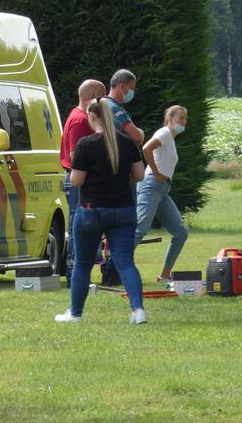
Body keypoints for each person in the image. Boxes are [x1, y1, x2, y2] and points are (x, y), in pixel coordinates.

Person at [55, 98, 147, 324]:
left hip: (91, 211)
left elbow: (76, 180)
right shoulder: (127, 143)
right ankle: (138, 311)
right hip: (123, 210)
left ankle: (75, 313)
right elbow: (139, 176)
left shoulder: (85, 144)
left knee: (83, 264)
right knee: (125, 261)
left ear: (92, 117)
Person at [135, 105, 190, 282]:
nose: (184, 122)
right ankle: (115, 267)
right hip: (152, 184)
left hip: (162, 189)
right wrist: (156, 172)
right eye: (180, 118)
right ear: (170, 118)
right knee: (141, 227)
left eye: (185, 119)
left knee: (180, 233)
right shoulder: (165, 133)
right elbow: (146, 148)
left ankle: (165, 275)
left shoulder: (170, 139)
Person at [59, 78, 107, 280]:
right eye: (101, 97)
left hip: (81, 178)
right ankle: (73, 274)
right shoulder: (80, 120)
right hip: (79, 179)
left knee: (81, 225)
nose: (103, 102)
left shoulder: (81, 117)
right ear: (91, 97)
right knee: (77, 226)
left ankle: (77, 273)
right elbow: (74, 155)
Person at [103, 68, 145, 145]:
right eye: (131, 89)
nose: (132, 92)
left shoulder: (102, 103)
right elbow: (137, 137)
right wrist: (141, 132)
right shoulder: (115, 108)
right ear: (122, 86)